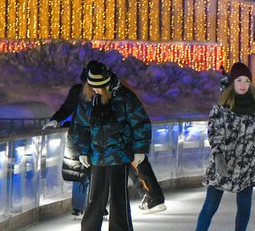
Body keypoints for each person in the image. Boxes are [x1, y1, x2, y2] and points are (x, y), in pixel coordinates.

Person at [47, 65, 167, 216]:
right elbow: (78, 119)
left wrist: (139, 148)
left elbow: (137, 121)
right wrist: (57, 122)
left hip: (107, 144)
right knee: (91, 175)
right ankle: (91, 208)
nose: (95, 89)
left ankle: (94, 209)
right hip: (95, 144)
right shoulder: (88, 94)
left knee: (108, 175)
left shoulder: (118, 94)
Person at [185, 62, 255, 231]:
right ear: (232, 82)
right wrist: (218, 157)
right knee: (211, 204)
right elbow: (214, 133)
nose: (243, 84)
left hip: (246, 165)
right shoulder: (221, 108)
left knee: (245, 204)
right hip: (223, 162)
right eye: (239, 80)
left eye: (246, 80)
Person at [71, 61, 152, 231]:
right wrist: (83, 151)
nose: (96, 90)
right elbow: (80, 126)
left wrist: (140, 149)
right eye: (93, 87)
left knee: (118, 195)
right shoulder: (87, 99)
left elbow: (140, 123)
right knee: (95, 195)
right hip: (97, 155)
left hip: (119, 154)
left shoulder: (124, 97)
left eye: (100, 87)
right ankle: (88, 229)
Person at [43, 69, 89, 216]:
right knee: (80, 171)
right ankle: (80, 206)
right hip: (80, 137)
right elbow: (67, 108)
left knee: (90, 172)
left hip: (92, 137)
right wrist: (55, 120)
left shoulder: (103, 92)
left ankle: (91, 206)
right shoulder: (79, 91)